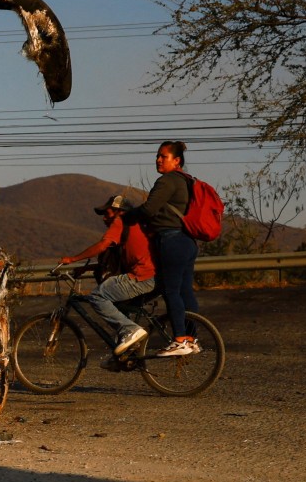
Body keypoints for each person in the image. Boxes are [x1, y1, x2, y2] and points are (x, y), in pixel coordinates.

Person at [59, 193, 154, 357]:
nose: (104, 218)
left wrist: (73, 259)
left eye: (107, 213)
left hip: (142, 276)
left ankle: (131, 330)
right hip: (150, 275)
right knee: (116, 305)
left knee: (97, 296)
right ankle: (122, 356)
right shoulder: (133, 226)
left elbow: (103, 245)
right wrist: (85, 268)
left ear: (119, 212)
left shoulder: (121, 221)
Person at [132, 140, 200, 356]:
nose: (158, 160)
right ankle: (190, 339)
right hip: (188, 242)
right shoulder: (187, 181)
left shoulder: (167, 180)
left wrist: (126, 215)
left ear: (176, 160)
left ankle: (179, 339)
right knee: (185, 291)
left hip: (171, 241)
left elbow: (148, 210)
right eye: (157, 156)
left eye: (164, 156)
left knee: (171, 290)